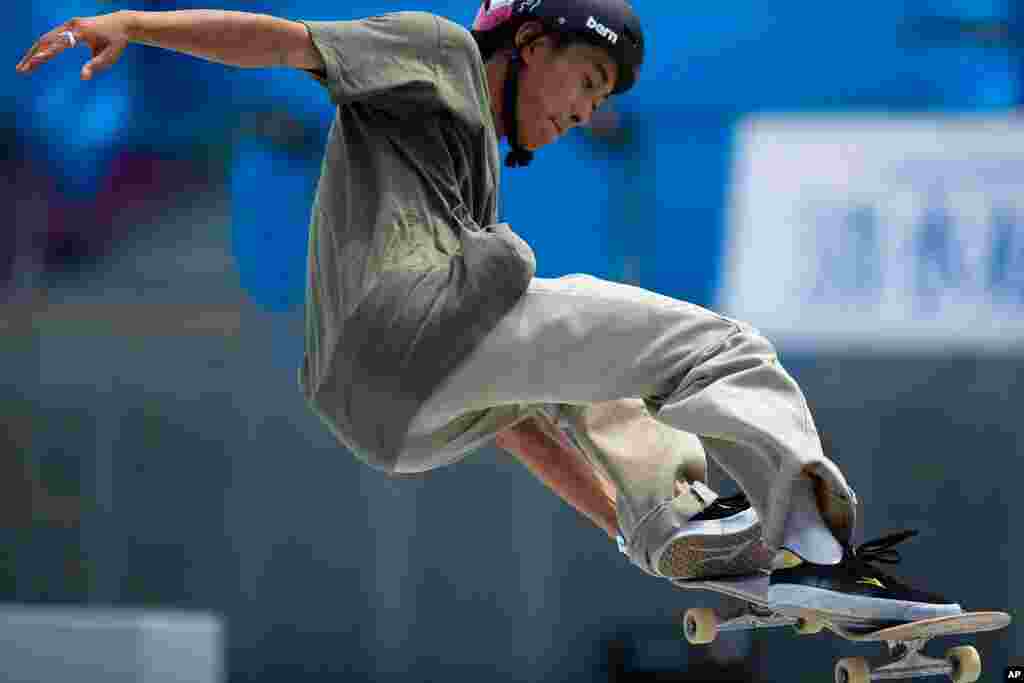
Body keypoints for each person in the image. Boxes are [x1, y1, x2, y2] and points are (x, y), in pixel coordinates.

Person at [18, 0, 960, 624]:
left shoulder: (458, 191)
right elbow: (284, 43)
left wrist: (616, 531)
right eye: (586, 80)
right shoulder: (439, 54)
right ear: (533, 43)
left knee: (581, 369)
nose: (586, 111)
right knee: (715, 344)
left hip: (387, 410)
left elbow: (519, 421)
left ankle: (664, 524)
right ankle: (815, 536)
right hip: (404, 327)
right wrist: (137, 25)